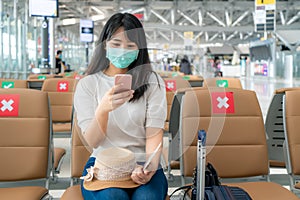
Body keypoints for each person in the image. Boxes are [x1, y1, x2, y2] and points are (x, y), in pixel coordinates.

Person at [74, 13, 168, 200]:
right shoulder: (88, 85)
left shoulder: (152, 81)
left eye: (130, 45)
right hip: (104, 163)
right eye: (116, 44)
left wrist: (149, 167)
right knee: (113, 197)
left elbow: (154, 133)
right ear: (105, 45)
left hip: (144, 160)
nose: (123, 50)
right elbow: (92, 141)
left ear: (139, 49)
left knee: (146, 198)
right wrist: (103, 110)